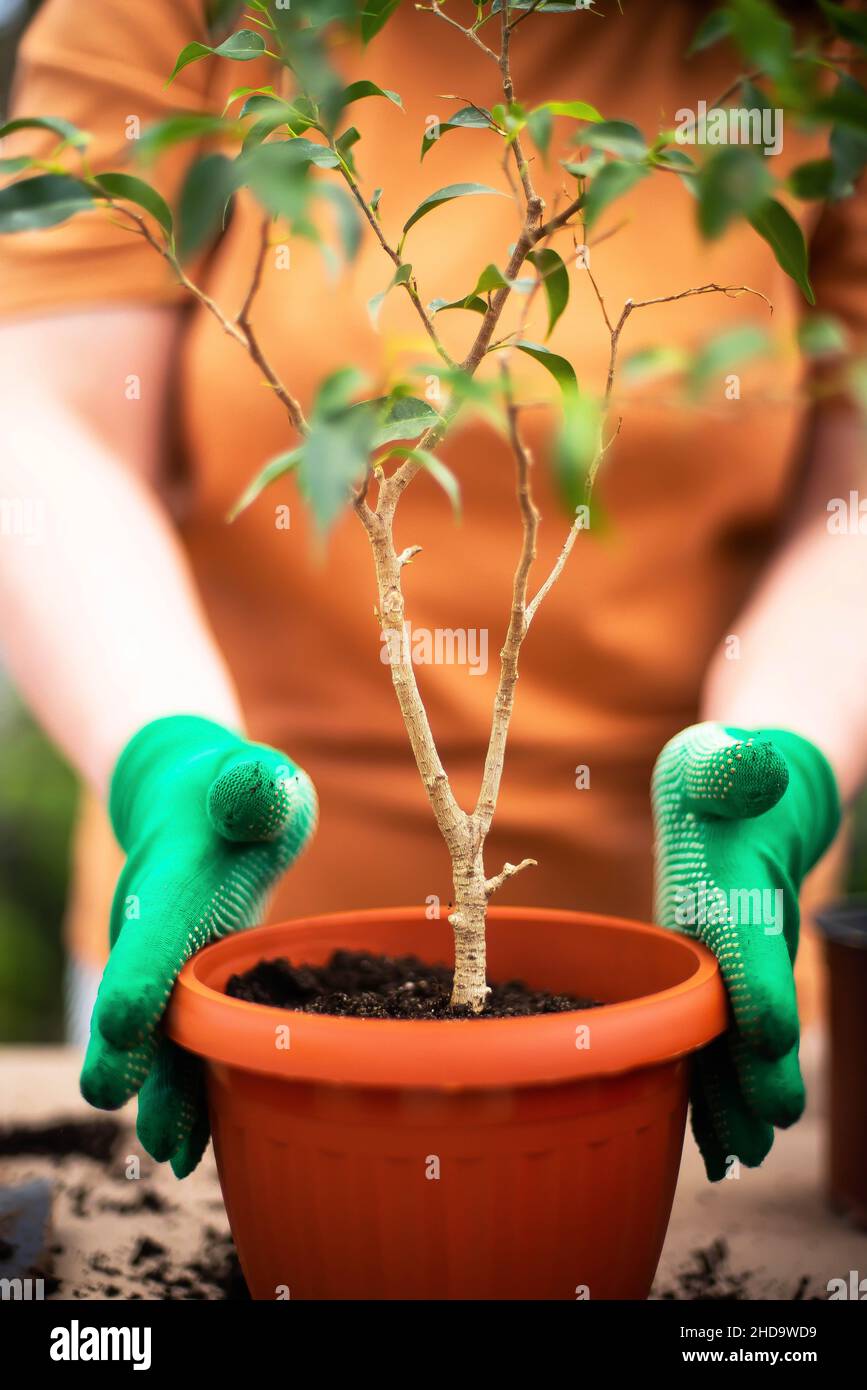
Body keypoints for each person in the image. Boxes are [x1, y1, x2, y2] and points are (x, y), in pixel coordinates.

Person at [0, 0, 864, 1179]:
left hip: (684, 973)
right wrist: (164, 754)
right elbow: (45, 422)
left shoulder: (822, 52)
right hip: (234, 934)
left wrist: (786, 756)